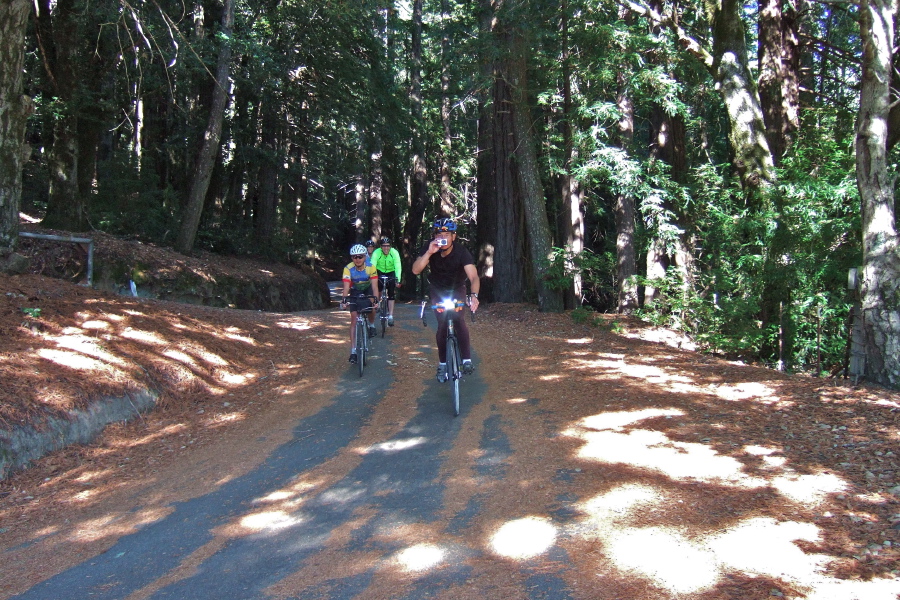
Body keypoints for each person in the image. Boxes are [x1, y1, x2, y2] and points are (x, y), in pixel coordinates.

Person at [411, 218, 480, 381]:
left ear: (454, 237)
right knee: (442, 323)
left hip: (457, 288)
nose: (443, 238)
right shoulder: (431, 247)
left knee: (458, 319)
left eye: (447, 234)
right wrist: (429, 252)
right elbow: (415, 270)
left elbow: (474, 276)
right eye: (439, 234)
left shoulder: (461, 252)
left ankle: (467, 360)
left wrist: (474, 296)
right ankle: (442, 364)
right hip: (437, 289)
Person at [341, 244, 380, 364]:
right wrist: (344, 300)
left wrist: (376, 300)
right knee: (353, 318)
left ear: (364, 257)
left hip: (367, 289)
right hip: (355, 290)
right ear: (352, 258)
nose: (357, 259)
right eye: (354, 257)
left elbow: (374, 286)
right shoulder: (348, 268)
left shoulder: (371, 267)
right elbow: (346, 287)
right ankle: (353, 351)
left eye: (360, 257)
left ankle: (372, 325)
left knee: (371, 306)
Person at [370, 236, 402, 326]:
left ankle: (391, 316)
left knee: (391, 294)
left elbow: (398, 266)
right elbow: (373, 265)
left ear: (390, 246)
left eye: (388, 246)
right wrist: (372, 277)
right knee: (378, 288)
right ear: (381, 247)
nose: (386, 248)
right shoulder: (377, 252)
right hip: (379, 272)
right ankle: (379, 301)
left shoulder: (394, 253)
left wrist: (398, 279)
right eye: (384, 246)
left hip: (391, 272)